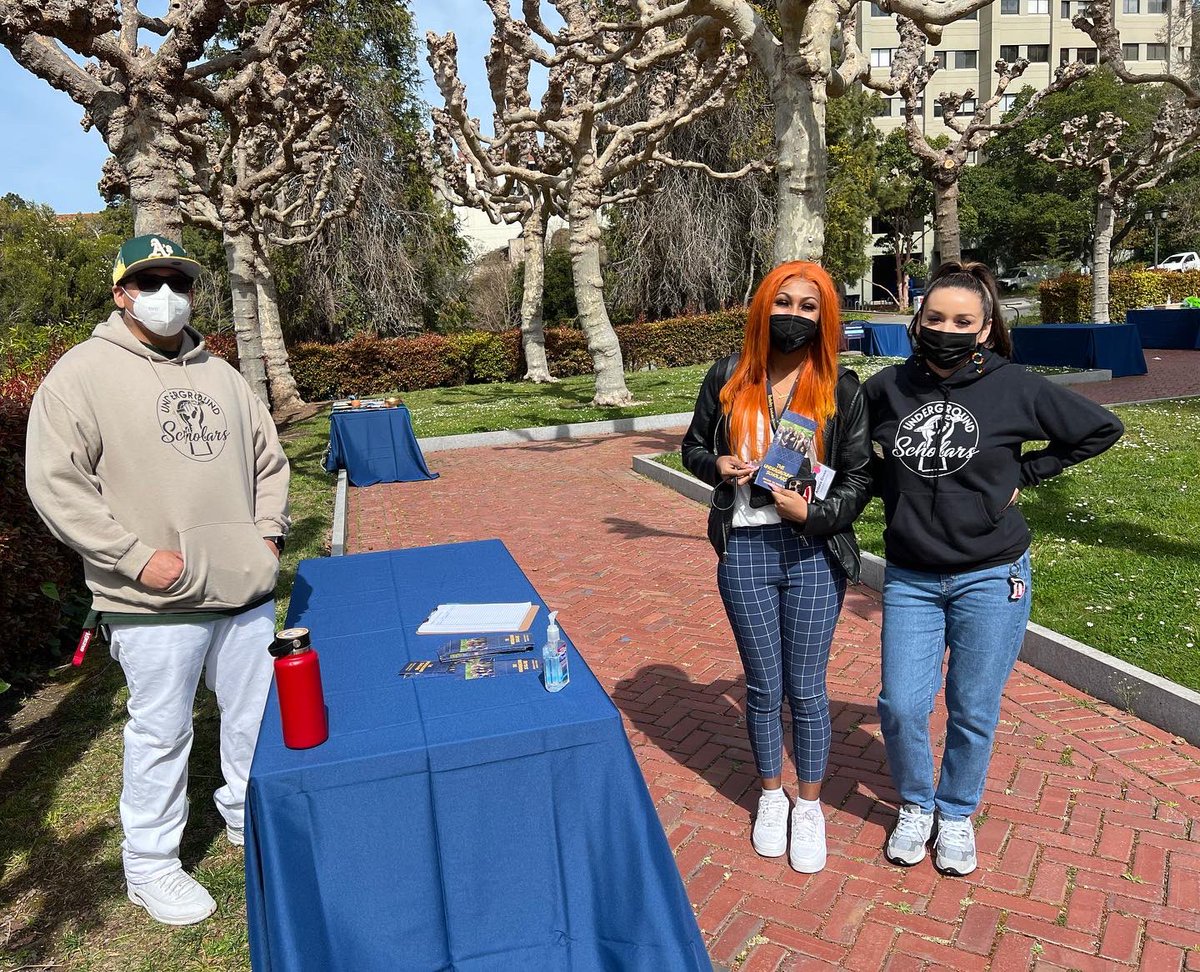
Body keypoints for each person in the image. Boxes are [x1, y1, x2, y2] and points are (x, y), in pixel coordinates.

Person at [26, 235, 291, 925]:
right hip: (154, 600)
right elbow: (56, 485)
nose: (166, 294)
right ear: (121, 293)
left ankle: (245, 815)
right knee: (162, 732)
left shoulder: (222, 374)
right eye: (149, 281)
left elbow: (268, 460)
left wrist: (268, 534)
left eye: (178, 281)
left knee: (253, 718)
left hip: (243, 586)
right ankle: (150, 864)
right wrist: (135, 556)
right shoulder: (81, 374)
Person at [863, 260, 1122, 877]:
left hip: (991, 573)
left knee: (972, 705)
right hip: (911, 576)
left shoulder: (1017, 387)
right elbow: (858, 459)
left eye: (962, 321)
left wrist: (1028, 474)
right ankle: (916, 805)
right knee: (901, 704)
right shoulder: (886, 388)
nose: (945, 329)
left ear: (983, 330)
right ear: (915, 321)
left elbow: (1100, 429)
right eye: (934, 318)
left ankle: (955, 813)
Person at [683, 261, 871, 873]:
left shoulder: (842, 388)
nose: (794, 314)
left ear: (825, 318)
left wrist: (814, 512)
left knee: (808, 688)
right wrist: (719, 465)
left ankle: (810, 807)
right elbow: (692, 446)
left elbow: (861, 476)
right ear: (764, 308)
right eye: (783, 302)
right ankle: (771, 796)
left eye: (808, 306)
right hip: (745, 548)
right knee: (764, 686)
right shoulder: (729, 377)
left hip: (813, 551)